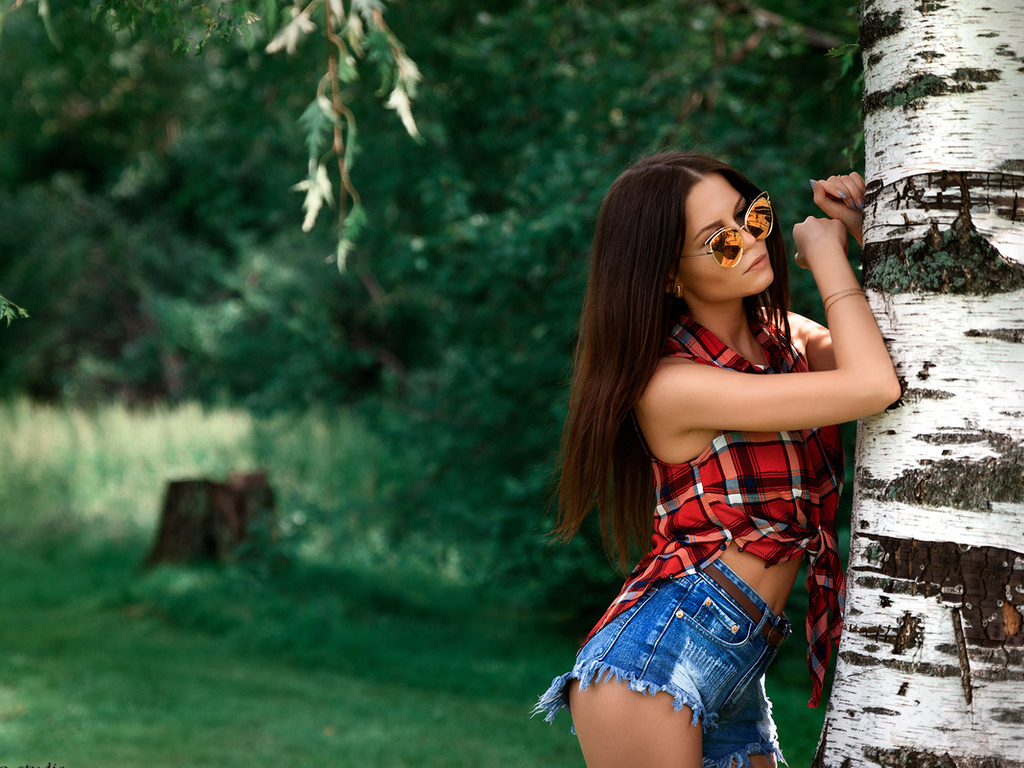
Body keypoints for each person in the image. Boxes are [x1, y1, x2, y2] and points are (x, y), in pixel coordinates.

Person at [534, 151, 901, 768]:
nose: (753, 241)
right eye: (720, 244)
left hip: (735, 669)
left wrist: (871, 231)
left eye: (752, 217)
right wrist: (828, 257)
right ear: (670, 277)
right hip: (656, 663)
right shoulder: (670, 383)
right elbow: (873, 387)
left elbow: (902, 358)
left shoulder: (783, 339)